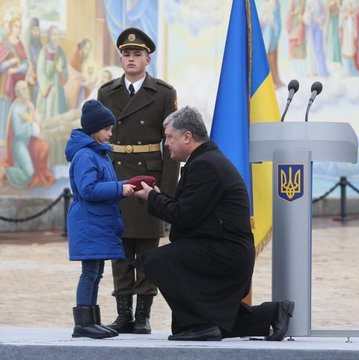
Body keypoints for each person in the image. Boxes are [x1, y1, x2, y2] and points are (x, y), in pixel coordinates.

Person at [133, 106, 294, 341]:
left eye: (169, 137)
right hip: (220, 249)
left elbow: (183, 216)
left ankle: (201, 326)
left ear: (187, 137)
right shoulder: (205, 161)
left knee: (157, 261)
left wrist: (152, 198)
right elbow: (189, 211)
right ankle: (272, 313)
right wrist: (157, 196)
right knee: (201, 325)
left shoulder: (205, 165)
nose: (166, 143)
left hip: (225, 255)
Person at [97, 27, 179, 335]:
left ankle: (143, 315)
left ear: (147, 59)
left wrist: (166, 193)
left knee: (147, 249)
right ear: (121, 58)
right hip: (116, 176)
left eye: (137, 54)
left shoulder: (163, 93)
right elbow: (101, 141)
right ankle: (123, 314)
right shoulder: (107, 93)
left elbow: (170, 146)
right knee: (119, 250)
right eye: (126, 54)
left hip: (149, 177)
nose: (131, 59)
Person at [65, 99, 136, 339]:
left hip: (95, 221)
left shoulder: (98, 153)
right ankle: (83, 324)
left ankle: (91, 320)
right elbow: (88, 190)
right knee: (89, 272)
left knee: (96, 271)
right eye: (107, 129)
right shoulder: (86, 155)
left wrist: (125, 186)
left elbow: (101, 185)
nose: (110, 134)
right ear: (94, 130)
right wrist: (119, 188)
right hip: (89, 222)